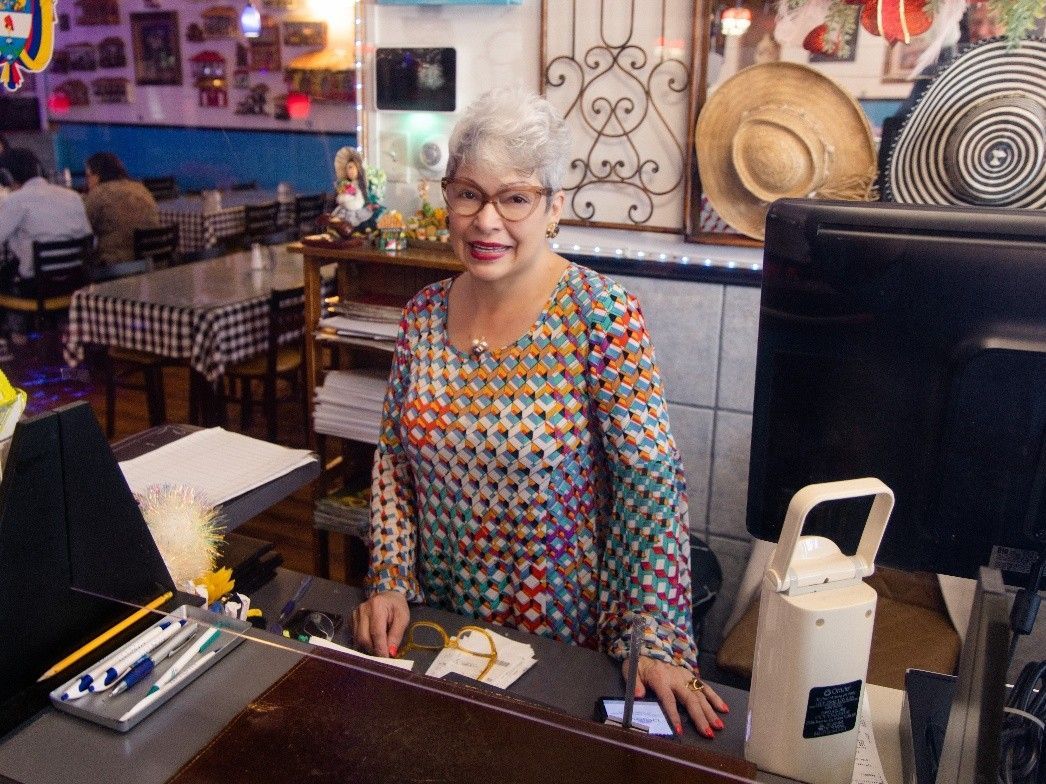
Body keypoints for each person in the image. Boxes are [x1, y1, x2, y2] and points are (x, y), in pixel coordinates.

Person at [353, 87, 729, 739]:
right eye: (468, 193)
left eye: (515, 197)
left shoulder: (603, 318)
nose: (485, 220)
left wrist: (658, 641)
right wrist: (388, 577)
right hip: (443, 631)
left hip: (561, 649)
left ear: (553, 207)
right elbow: (392, 460)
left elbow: (653, 490)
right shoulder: (421, 316)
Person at [0, 147, 91, 292]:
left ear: (7, 176)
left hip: (37, 288)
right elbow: (90, 239)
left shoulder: (16, 200)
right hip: (76, 283)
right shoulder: (73, 196)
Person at [83, 152, 160, 264]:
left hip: (115, 263)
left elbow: (85, 229)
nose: (87, 181)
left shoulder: (98, 194)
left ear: (97, 175)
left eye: (88, 176)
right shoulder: (140, 188)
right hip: (150, 259)